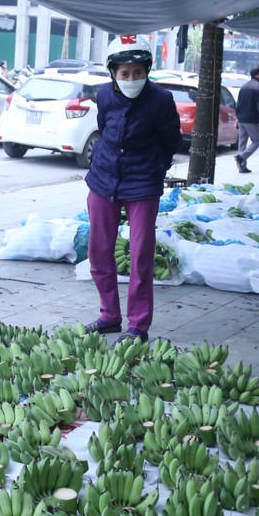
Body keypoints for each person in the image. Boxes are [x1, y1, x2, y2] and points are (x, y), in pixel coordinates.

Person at [83, 35, 181, 344]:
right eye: (125, 73)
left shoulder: (161, 100)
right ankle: (109, 316)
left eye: (138, 72)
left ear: (147, 70)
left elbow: (171, 141)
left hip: (143, 183)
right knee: (99, 251)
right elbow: (103, 127)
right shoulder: (104, 95)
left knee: (140, 255)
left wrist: (155, 169)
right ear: (112, 73)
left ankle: (138, 325)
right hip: (103, 179)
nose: (131, 78)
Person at [233, 65, 259, 174]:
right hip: (251, 119)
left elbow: (239, 103)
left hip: (241, 118)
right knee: (257, 141)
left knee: (242, 142)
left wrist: (237, 117)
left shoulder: (244, 86)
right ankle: (241, 157)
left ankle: (242, 167)